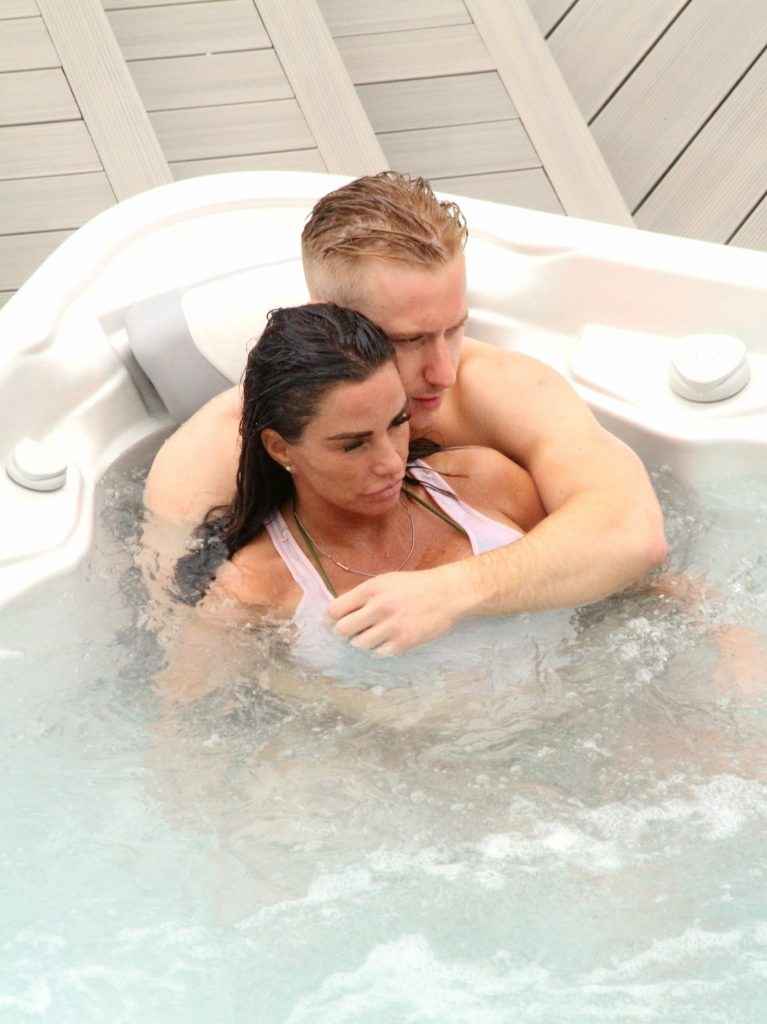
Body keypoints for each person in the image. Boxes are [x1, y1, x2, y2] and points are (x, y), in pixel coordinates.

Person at [145, 172, 667, 653]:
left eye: (455, 328)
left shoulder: (500, 390)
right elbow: (178, 641)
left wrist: (451, 592)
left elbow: (632, 533)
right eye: (409, 340)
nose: (444, 371)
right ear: (330, 319)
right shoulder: (210, 460)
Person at [168, 304, 543, 663]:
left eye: (397, 423)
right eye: (353, 445)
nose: (391, 463)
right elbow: (184, 703)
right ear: (280, 449)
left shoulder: (481, 483)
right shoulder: (252, 589)